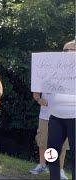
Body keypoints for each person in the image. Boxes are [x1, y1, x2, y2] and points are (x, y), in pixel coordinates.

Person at [47, 40, 76, 180]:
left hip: (74, 117)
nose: (68, 53)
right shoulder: (54, 68)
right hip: (55, 116)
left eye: (72, 50)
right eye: (65, 51)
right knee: (51, 153)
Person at [30, 92, 69, 179]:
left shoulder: (71, 78)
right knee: (42, 141)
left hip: (65, 116)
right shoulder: (44, 77)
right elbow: (36, 93)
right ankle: (42, 165)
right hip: (45, 115)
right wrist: (39, 99)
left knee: (63, 145)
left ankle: (60, 170)